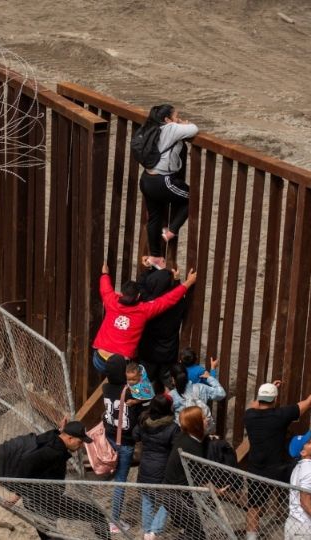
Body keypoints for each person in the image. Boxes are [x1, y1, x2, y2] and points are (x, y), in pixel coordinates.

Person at [244, 381, 311, 540]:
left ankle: (251, 538)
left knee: (254, 508)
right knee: (305, 486)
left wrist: (269, 391)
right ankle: (306, 518)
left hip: (257, 468)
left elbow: (254, 403)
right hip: (281, 468)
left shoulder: (249, 415)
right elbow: (310, 401)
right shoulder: (281, 415)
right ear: (275, 400)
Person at [91, 261, 197, 375]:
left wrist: (105, 274)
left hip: (99, 359)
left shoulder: (111, 301)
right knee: (123, 383)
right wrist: (188, 282)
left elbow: (105, 289)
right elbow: (168, 300)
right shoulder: (144, 310)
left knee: (113, 384)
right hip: (121, 364)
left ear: (121, 294)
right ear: (138, 296)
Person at [11, 421, 111, 540]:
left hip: (43, 498)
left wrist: (60, 430)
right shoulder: (54, 452)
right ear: (69, 438)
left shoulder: (54, 439)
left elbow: (46, 437)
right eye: (79, 442)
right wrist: (17, 493)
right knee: (96, 515)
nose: (80, 446)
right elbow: (26, 465)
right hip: (43, 500)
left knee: (48, 531)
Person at [138, 104, 198, 270]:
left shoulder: (152, 127)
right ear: (167, 119)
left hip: (146, 179)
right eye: (176, 116)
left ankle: (155, 256)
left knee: (154, 217)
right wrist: (183, 125)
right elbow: (194, 129)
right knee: (193, 199)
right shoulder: (170, 128)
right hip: (162, 181)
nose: (178, 118)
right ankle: (171, 231)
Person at [101, 357, 144, 534]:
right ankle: (115, 521)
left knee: (115, 471)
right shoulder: (130, 391)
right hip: (125, 441)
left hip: (110, 435)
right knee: (121, 481)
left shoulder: (105, 388)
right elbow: (145, 397)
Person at [136, 267, 191, 393]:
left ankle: (143, 406)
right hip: (168, 353)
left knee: (145, 382)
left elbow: (140, 287)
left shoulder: (147, 302)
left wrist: (146, 269)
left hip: (148, 353)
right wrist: (177, 281)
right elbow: (178, 297)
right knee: (169, 383)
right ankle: (167, 406)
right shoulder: (177, 305)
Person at [159, 406, 210, 540]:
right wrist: (217, 490)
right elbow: (201, 478)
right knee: (197, 532)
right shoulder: (191, 447)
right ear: (196, 424)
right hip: (179, 498)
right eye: (203, 418)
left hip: (174, 495)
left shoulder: (185, 436)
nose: (207, 420)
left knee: (193, 531)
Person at [133, 395, 179, 540]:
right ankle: (154, 530)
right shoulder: (173, 427)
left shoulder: (144, 421)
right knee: (169, 499)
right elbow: (176, 448)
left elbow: (135, 436)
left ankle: (147, 531)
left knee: (147, 499)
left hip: (146, 465)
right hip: (163, 468)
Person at [167, 362, 226, 435]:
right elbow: (221, 394)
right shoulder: (200, 387)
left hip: (183, 434)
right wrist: (209, 378)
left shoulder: (171, 395)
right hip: (203, 430)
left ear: (173, 378)